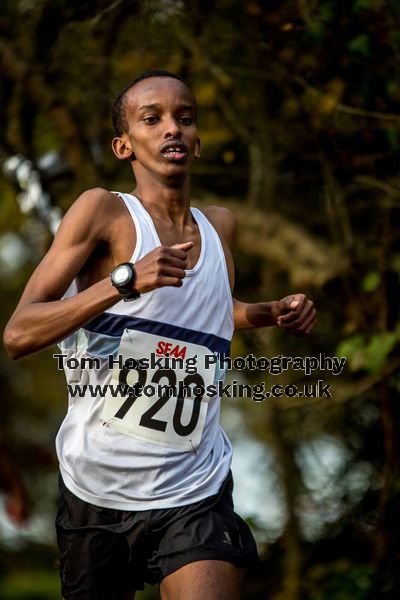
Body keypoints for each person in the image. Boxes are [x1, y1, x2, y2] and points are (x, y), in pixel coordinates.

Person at [3, 69, 316, 600]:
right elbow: (19, 332)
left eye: (185, 118)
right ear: (124, 145)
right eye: (153, 119)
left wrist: (268, 311)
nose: (173, 128)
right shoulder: (102, 211)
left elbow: (205, 313)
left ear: (197, 140)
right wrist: (124, 281)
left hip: (194, 483)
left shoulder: (220, 226)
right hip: (96, 486)